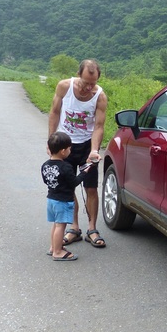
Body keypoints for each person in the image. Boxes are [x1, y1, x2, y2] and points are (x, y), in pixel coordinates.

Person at [48, 59, 108, 248]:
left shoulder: (99, 96)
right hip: (65, 145)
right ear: (78, 75)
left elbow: (98, 126)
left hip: (86, 146)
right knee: (68, 188)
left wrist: (94, 150)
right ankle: (74, 228)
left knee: (90, 188)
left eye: (93, 83)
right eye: (85, 83)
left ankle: (92, 229)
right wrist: (51, 142)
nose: (88, 88)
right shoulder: (64, 87)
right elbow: (54, 112)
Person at [42, 132, 90, 261]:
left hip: (51, 199)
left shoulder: (45, 165)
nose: (70, 150)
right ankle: (58, 252)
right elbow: (74, 182)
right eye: (69, 148)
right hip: (63, 201)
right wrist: (84, 173)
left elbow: (46, 181)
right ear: (63, 151)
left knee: (55, 225)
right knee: (61, 226)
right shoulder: (66, 167)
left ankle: (53, 247)